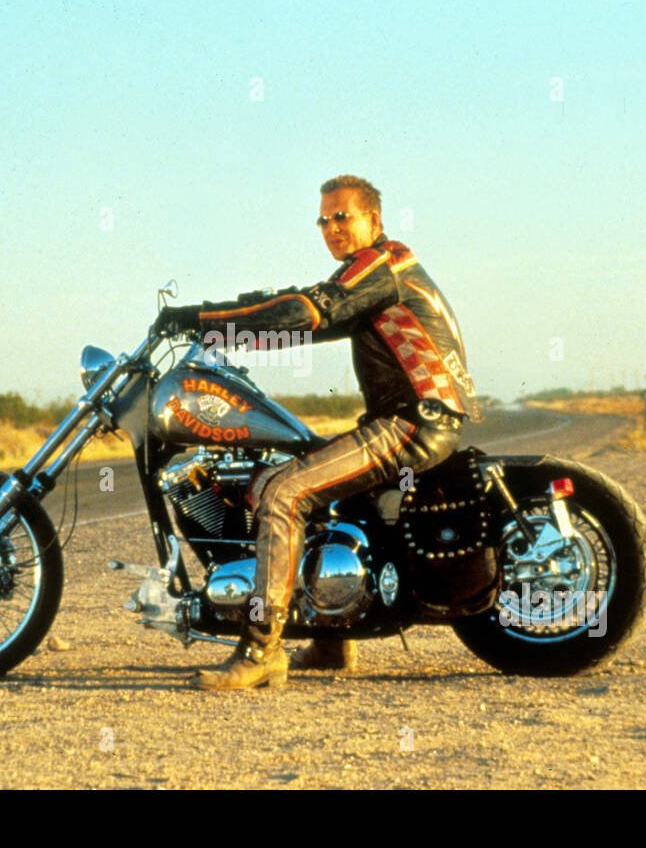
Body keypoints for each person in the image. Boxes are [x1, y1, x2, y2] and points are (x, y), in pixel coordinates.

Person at [153, 175, 478, 690]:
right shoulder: (372, 275)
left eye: (343, 217)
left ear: (374, 219)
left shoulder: (381, 266)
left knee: (281, 491)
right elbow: (301, 320)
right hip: (409, 420)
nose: (332, 228)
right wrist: (226, 334)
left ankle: (261, 651)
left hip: (413, 424)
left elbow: (305, 311)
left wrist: (198, 318)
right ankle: (330, 642)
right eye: (324, 220)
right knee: (310, 478)